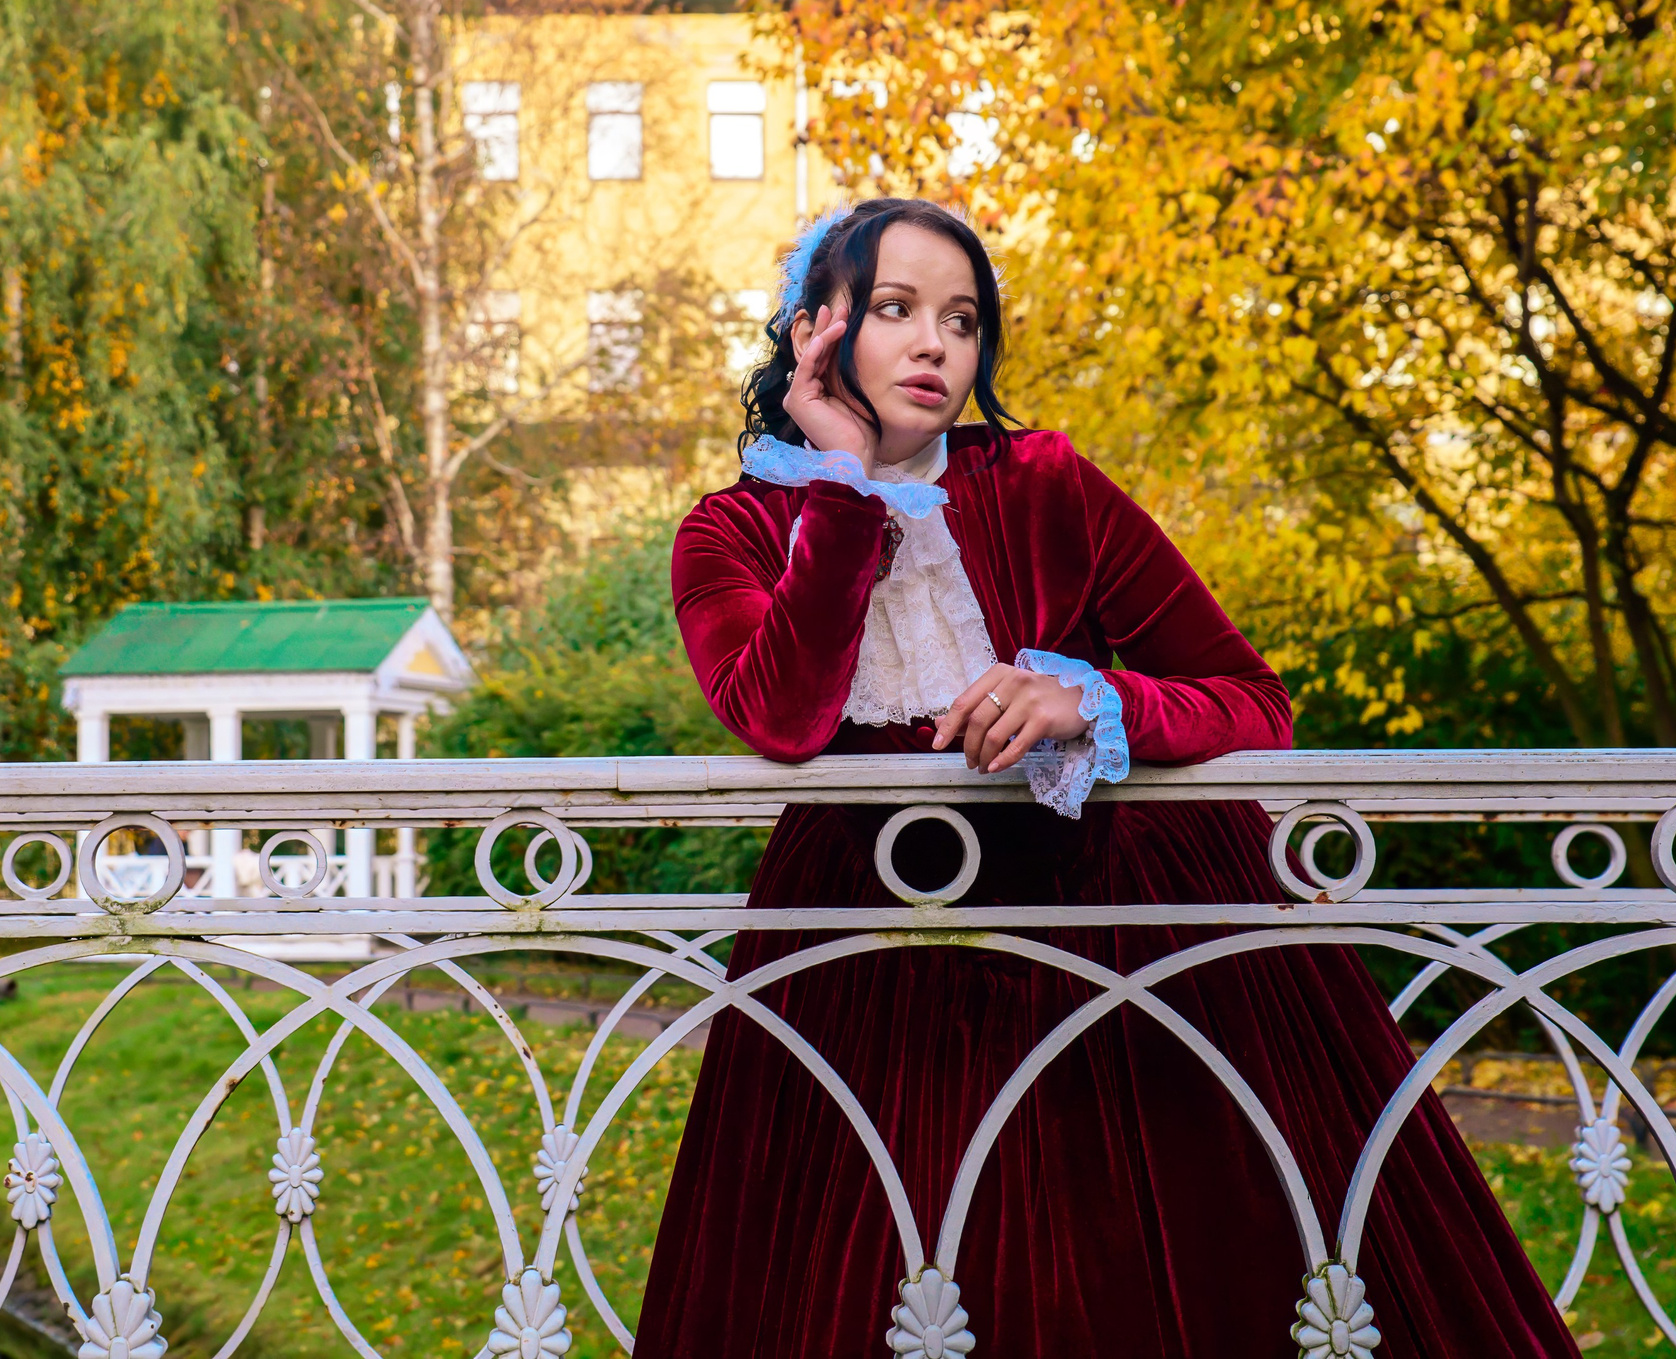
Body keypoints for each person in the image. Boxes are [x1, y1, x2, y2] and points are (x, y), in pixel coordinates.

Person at [633, 198, 1579, 1357]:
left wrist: (1095, 699)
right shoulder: (728, 532)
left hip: (1123, 930)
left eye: (962, 320)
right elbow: (781, 717)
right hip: (861, 957)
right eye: (894, 308)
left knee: (1160, 1271)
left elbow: (1252, 699)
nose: (935, 344)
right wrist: (841, 484)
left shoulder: (1045, 484)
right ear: (815, 329)